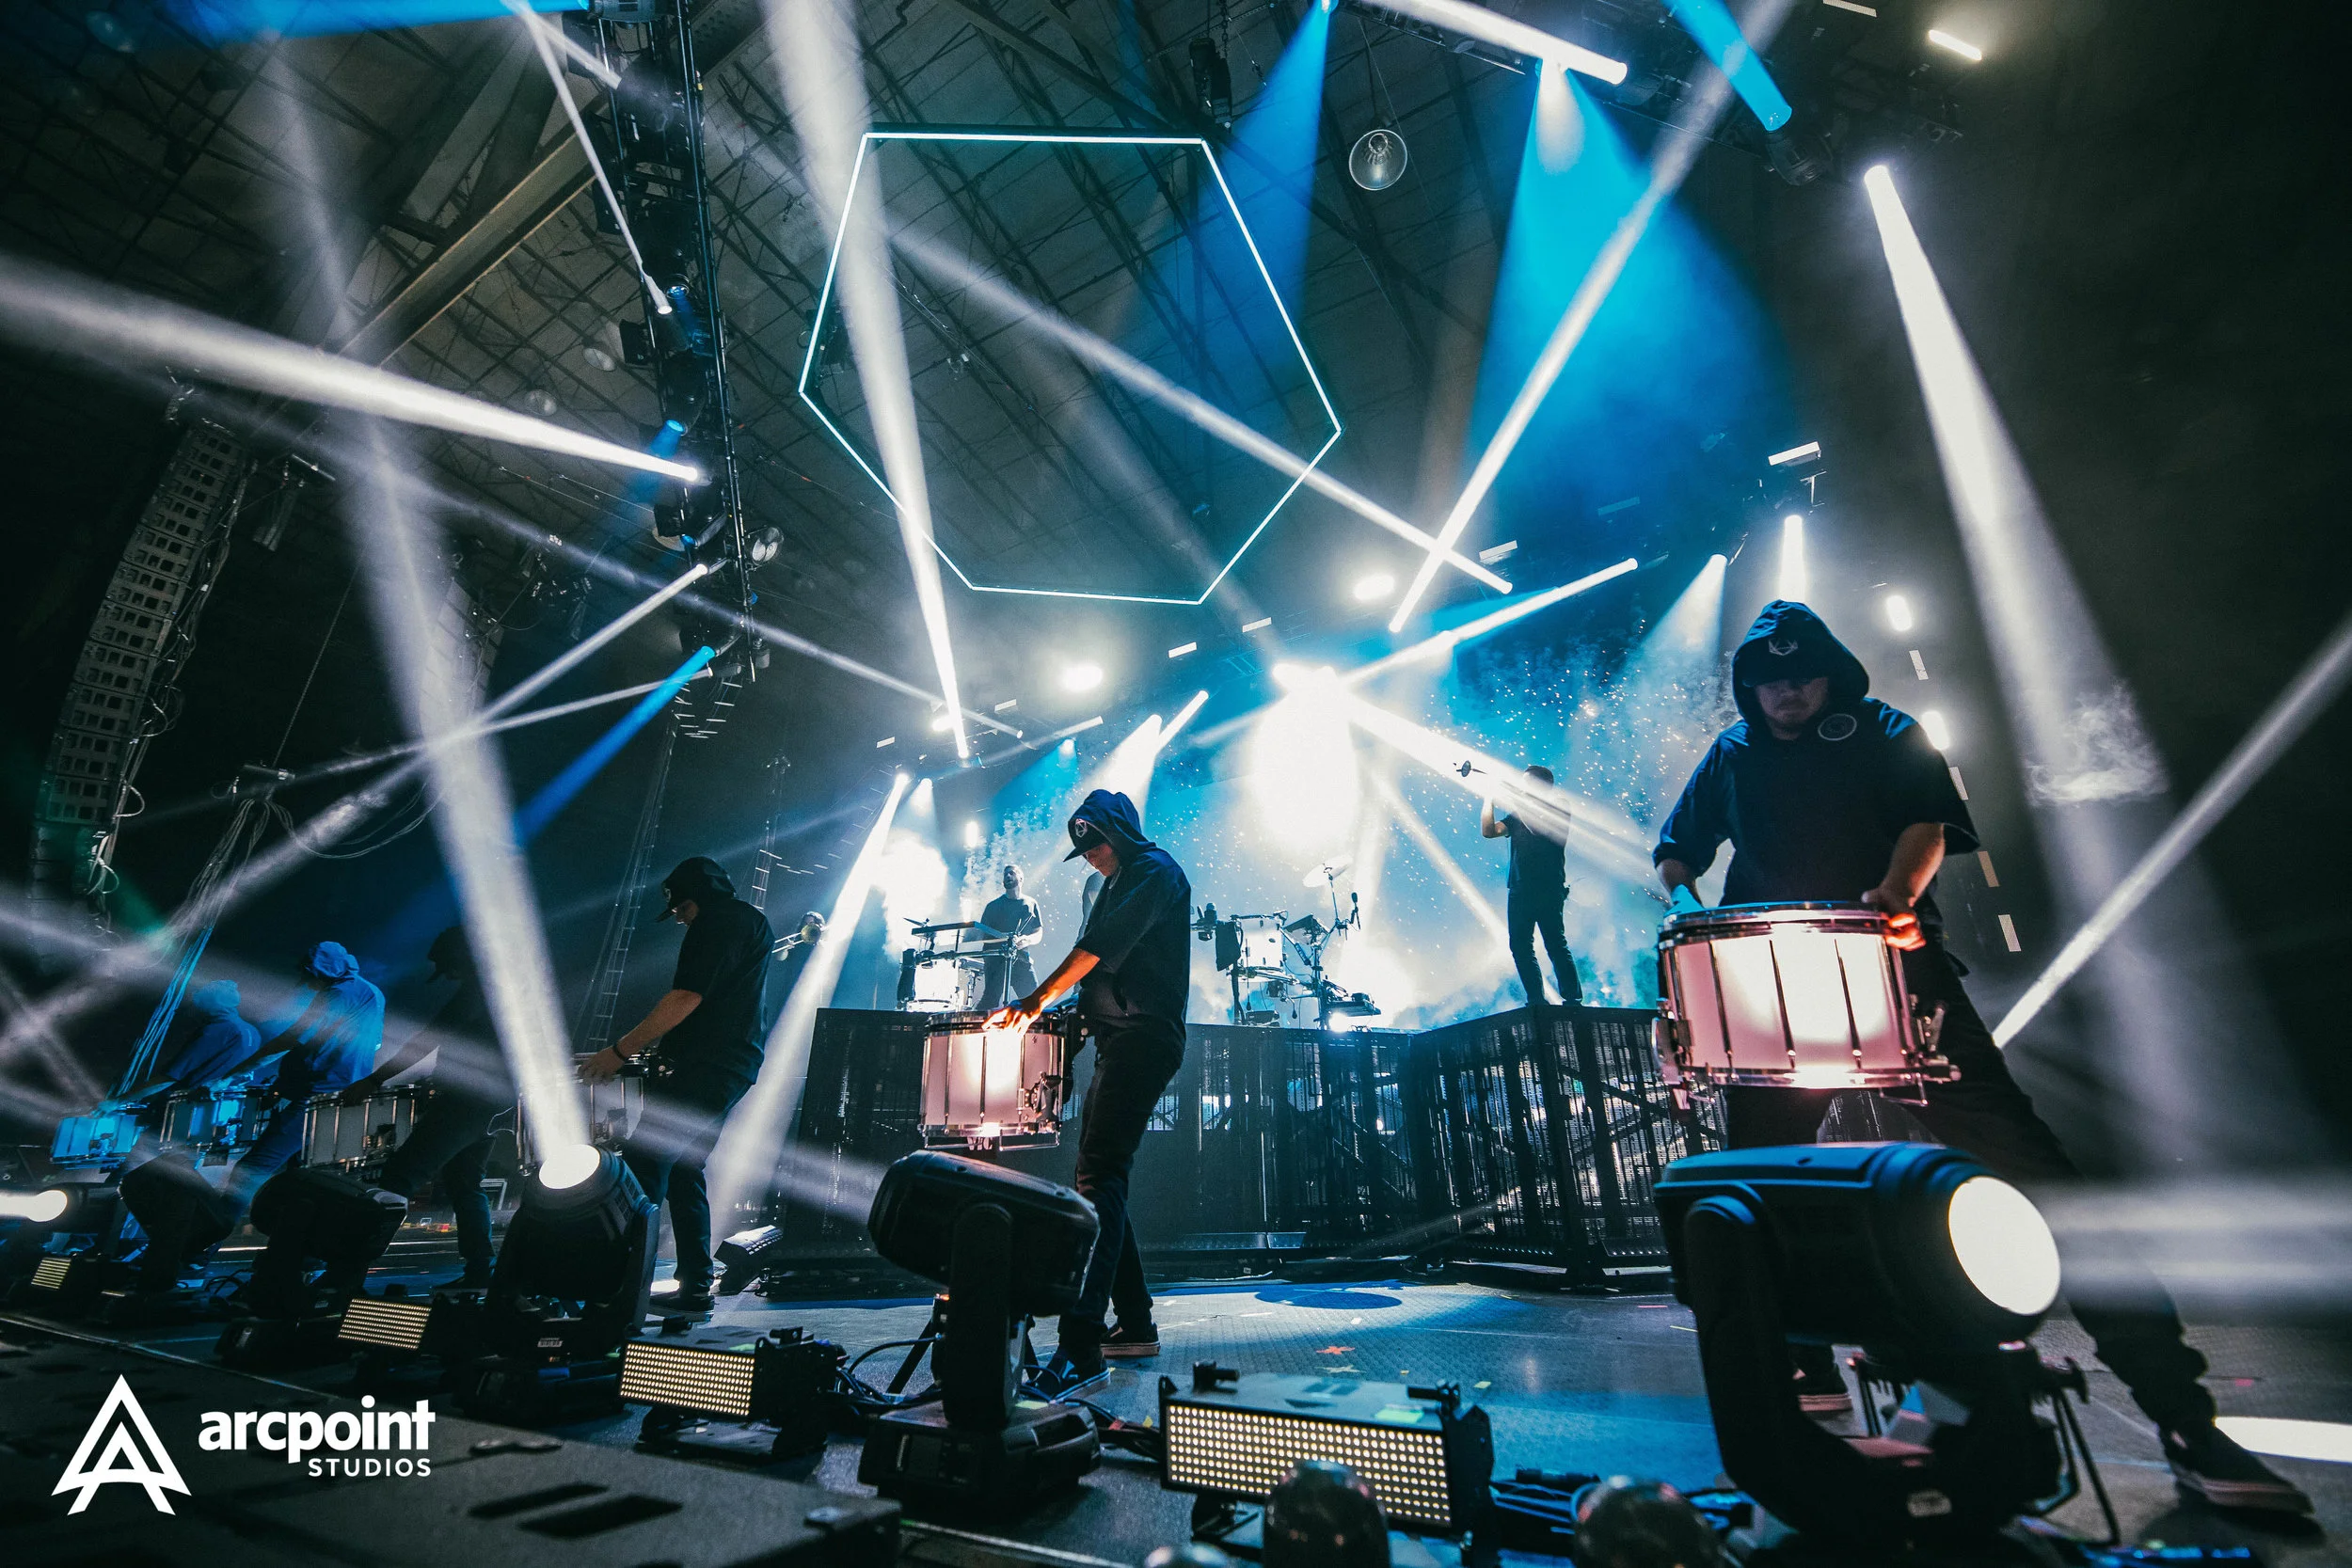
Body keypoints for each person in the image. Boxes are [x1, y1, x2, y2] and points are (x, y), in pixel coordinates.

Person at [1652, 599, 2310, 1515]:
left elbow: (1927, 822)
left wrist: (1896, 892)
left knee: (2043, 1183)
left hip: (1899, 980)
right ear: (1748, 686)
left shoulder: (1885, 728)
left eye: (1801, 674)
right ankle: (1802, 1367)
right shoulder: (1730, 753)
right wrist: (1688, 909)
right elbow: (1674, 851)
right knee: (1751, 1193)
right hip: (1770, 996)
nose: (1787, 691)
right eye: (1768, 679)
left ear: (1830, 672)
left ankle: (2183, 1417)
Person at [990, 789, 1191, 1393]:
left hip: (1143, 1038)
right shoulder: (1116, 881)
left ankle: (1080, 1344)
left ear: (1119, 833)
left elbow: (1097, 951)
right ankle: (1134, 1323)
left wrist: (1033, 1002)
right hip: (1118, 1039)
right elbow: (1095, 975)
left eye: (1097, 844)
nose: (1093, 857)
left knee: (1099, 1176)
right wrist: (1064, 1022)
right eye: (1085, 851)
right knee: (1101, 1178)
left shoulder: (1154, 872)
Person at [580, 856, 771, 1315]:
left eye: (682, 908)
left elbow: (686, 996)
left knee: (644, 1166)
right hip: (727, 1066)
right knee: (684, 1171)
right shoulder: (749, 922)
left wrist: (619, 1051)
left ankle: (618, 1289)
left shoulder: (719, 922)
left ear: (699, 897)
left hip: (705, 1066)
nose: (680, 919)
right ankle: (695, 1286)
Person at [341, 927, 505, 1287]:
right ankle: (480, 1270)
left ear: (465, 958)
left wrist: (374, 1080)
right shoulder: (504, 991)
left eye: (450, 967)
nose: (448, 976)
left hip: (465, 1103)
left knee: (399, 1178)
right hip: (491, 1105)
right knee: (466, 1185)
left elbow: (425, 1042)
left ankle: (346, 1273)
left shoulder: (476, 993)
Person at [220, 941, 386, 1208]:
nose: (305, 982)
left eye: (308, 974)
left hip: (320, 1096)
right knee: (301, 1177)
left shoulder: (338, 994)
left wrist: (232, 1075)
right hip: (342, 1094)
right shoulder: (372, 992)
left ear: (321, 970)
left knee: (251, 1169)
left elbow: (294, 1037)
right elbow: (372, 1044)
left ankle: (213, 1229)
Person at [1481, 765, 1583, 1007]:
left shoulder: (1559, 806)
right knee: (1520, 945)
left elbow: (1540, 826)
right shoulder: (1517, 815)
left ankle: (1572, 999)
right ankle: (1536, 1000)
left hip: (1548, 886)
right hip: (1520, 887)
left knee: (1555, 942)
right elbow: (1489, 832)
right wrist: (1489, 799)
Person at [116, 979, 261, 1105]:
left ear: (213, 1001)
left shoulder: (218, 1030)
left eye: (201, 998)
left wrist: (116, 1102)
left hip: (187, 1107)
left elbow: (171, 1076)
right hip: (220, 1108)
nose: (195, 1002)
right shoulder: (252, 1032)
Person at [975, 863, 1044, 1010]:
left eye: (1011, 873)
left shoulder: (1031, 904)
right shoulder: (992, 906)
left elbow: (1038, 932)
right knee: (989, 1002)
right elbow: (982, 935)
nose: (1007, 876)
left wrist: (1027, 940)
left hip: (1021, 960)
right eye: (1005, 874)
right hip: (996, 961)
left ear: (1021, 878)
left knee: (1034, 1001)